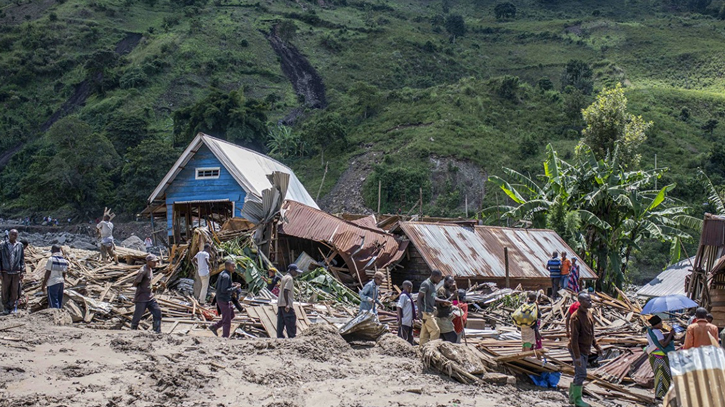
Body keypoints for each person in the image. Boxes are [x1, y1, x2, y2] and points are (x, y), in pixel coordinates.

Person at [569, 292, 602, 407]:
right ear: (581, 302)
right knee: (582, 374)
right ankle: (578, 400)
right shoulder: (575, 317)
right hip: (577, 348)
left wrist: (597, 346)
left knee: (579, 373)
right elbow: (574, 340)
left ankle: (572, 397)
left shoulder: (588, 314)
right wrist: (577, 357)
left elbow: (591, 334)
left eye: (590, 300)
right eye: (588, 300)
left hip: (585, 348)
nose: (590, 302)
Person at [646, 315, 675, 400]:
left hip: (653, 356)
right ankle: (659, 395)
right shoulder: (657, 332)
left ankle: (662, 394)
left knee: (659, 374)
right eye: (660, 323)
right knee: (663, 375)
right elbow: (663, 344)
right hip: (660, 356)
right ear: (657, 324)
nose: (662, 324)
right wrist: (671, 334)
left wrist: (667, 334)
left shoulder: (649, 331)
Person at [209, 259, 240, 338]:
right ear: (228, 267)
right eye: (233, 266)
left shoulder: (223, 274)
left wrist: (232, 285)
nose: (234, 268)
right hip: (223, 299)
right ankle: (225, 337)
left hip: (222, 298)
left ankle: (215, 326)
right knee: (227, 320)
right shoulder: (226, 276)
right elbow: (224, 290)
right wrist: (235, 288)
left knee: (231, 315)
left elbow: (219, 286)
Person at [131, 254, 162, 333]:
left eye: (156, 262)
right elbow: (135, 283)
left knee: (157, 311)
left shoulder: (150, 269)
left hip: (150, 296)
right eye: (153, 262)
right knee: (138, 315)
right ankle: (132, 330)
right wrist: (142, 289)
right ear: (148, 262)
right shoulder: (143, 271)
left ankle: (157, 330)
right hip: (142, 297)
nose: (155, 264)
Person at [417, 269, 446, 345]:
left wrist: (445, 301)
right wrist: (419, 312)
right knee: (435, 331)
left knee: (425, 333)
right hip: (426, 312)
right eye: (439, 278)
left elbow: (433, 298)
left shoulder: (433, 285)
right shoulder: (426, 284)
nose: (439, 281)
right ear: (434, 276)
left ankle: (422, 349)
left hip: (430, 311)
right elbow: (419, 297)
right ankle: (432, 348)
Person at [0, 229, 25, 314]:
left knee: (14, 290)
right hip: (5, 271)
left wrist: (22, 271)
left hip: (16, 271)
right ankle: (5, 307)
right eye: (12, 234)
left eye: (15, 234)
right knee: (5, 290)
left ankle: (12, 307)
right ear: (9, 235)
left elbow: (22, 259)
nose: (14, 236)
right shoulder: (3, 245)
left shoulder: (20, 245)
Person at [277, 264, 300, 338]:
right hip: (286, 304)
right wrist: (287, 304)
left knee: (281, 322)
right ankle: (292, 337)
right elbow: (286, 290)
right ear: (292, 271)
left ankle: (280, 337)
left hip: (280, 303)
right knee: (291, 321)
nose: (296, 273)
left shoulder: (284, 277)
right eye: (295, 272)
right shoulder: (290, 278)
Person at [436, 276, 458, 343]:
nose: (451, 284)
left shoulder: (447, 289)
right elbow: (443, 303)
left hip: (446, 316)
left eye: (452, 283)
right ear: (445, 281)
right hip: (442, 317)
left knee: (444, 337)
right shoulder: (441, 290)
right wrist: (453, 296)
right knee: (452, 337)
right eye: (449, 282)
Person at [396, 280, 416, 345]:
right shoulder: (403, 296)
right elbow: (399, 307)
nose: (411, 289)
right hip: (404, 321)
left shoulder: (409, 297)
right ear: (408, 287)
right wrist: (400, 319)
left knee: (410, 339)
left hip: (409, 322)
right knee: (402, 339)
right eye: (411, 288)